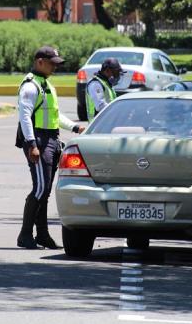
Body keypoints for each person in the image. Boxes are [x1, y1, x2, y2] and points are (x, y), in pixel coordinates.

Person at [16, 46, 85, 249]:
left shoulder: (46, 84)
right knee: (39, 188)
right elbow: (25, 117)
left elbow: (55, 115)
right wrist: (32, 144)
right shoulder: (30, 86)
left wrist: (74, 126)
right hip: (38, 140)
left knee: (45, 191)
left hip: (51, 140)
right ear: (39, 62)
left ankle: (42, 235)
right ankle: (25, 234)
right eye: (52, 62)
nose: (55, 66)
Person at [85, 57, 125, 122]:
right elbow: (100, 106)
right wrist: (117, 110)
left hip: (106, 123)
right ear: (107, 70)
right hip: (97, 125)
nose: (117, 75)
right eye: (115, 72)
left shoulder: (106, 83)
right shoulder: (95, 84)